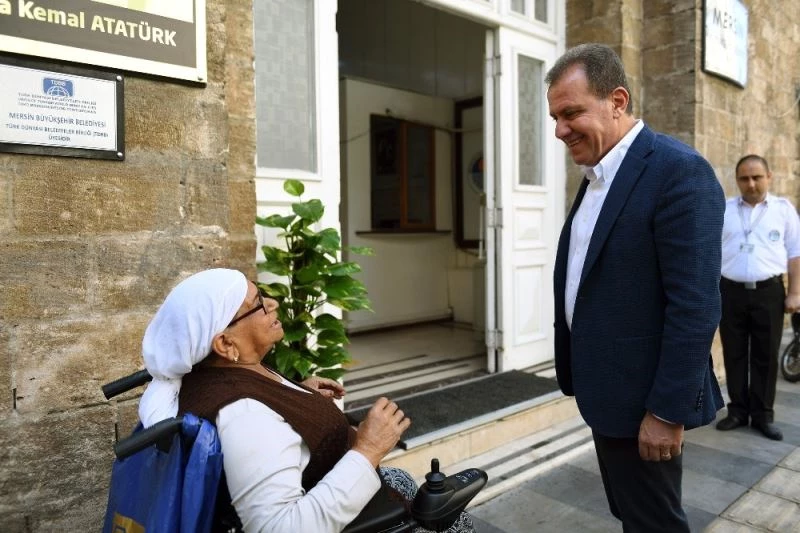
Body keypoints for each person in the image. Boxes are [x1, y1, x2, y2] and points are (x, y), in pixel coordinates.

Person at [137, 268, 475, 533]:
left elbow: (266, 413)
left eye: (262, 294)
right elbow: (280, 528)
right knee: (454, 520)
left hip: (346, 480)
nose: (273, 303)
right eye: (257, 304)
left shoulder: (221, 372)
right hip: (359, 517)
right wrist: (369, 449)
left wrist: (297, 394)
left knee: (402, 479)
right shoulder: (245, 416)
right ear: (225, 344)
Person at [548, 43, 725, 532]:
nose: (559, 130)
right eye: (555, 117)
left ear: (617, 101)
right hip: (606, 391)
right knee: (631, 514)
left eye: (570, 113)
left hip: (645, 401)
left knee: (655, 524)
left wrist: (667, 412)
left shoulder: (677, 171)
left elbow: (695, 305)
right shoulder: (598, 174)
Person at [716, 154, 800, 441]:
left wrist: (795, 292)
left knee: (766, 355)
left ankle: (763, 415)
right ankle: (738, 411)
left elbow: (795, 253)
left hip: (769, 292)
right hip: (730, 292)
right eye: (744, 178)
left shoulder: (783, 210)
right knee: (734, 352)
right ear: (737, 180)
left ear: (769, 177)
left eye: (757, 177)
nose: (751, 184)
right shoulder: (725, 210)